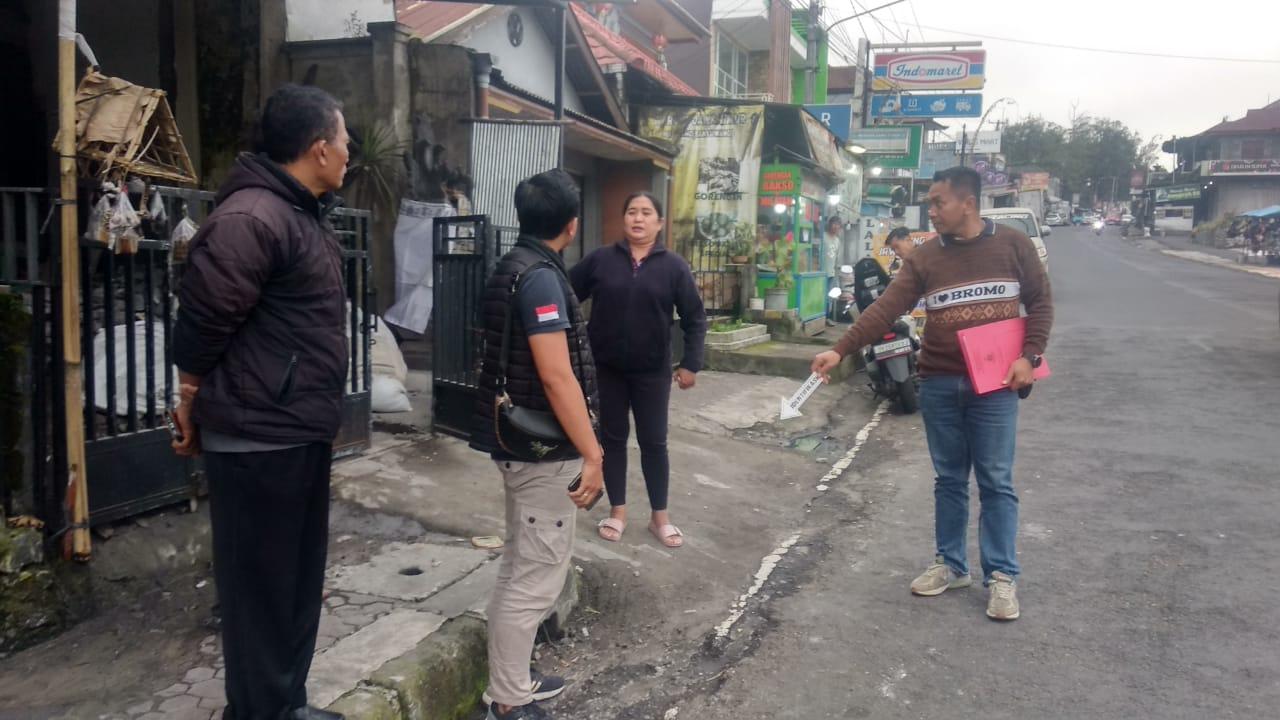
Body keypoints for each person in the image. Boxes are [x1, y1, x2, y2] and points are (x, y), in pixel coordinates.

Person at [171, 84, 351, 720]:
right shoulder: (252, 218)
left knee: (295, 586)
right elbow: (200, 326)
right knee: (260, 591)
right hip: (255, 438)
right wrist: (190, 397)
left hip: (295, 429)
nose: (350, 153)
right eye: (345, 140)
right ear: (318, 148)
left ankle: (283, 704)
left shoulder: (300, 214)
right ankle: (256, 711)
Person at [811, 166, 1053, 622]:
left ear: (968, 203)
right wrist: (840, 349)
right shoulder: (925, 258)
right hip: (939, 382)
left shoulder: (1013, 246)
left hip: (995, 384)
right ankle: (951, 564)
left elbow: (1041, 303)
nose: (933, 211)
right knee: (948, 479)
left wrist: (1030, 355)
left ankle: (1001, 576)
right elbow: (886, 307)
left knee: (996, 480)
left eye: (940, 202)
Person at [469, 169, 604, 720]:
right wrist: (594, 454)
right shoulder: (542, 279)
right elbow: (556, 376)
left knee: (519, 567)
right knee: (535, 577)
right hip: (542, 454)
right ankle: (508, 701)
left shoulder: (511, 267)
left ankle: (511, 678)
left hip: (518, 445)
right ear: (572, 226)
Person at [570, 192, 707, 548]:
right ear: (623, 219)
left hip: (652, 372)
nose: (638, 218)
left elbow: (694, 317)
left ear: (659, 223)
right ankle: (617, 512)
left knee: (654, 442)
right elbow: (566, 294)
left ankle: (659, 518)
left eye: (647, 213)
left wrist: (691, 363)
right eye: (632, 211)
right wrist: (574, 347)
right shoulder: (601, 260)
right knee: (612, 441)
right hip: (607, 370)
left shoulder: (673, 266)